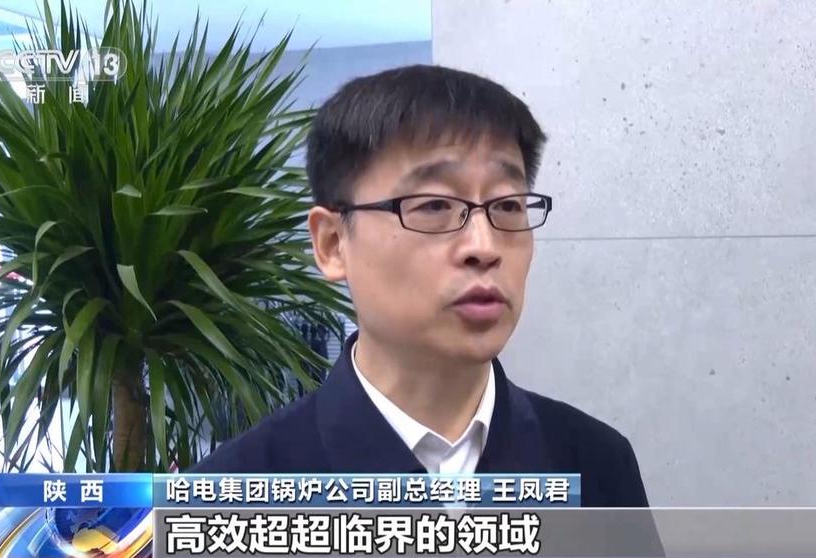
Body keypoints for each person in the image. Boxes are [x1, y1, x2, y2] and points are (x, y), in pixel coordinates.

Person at [191, 64, 652, 508]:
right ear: (332, 243)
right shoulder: (229, 498)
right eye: (433, 205)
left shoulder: (596, 464)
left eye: (508, 206)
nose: (484, 247)